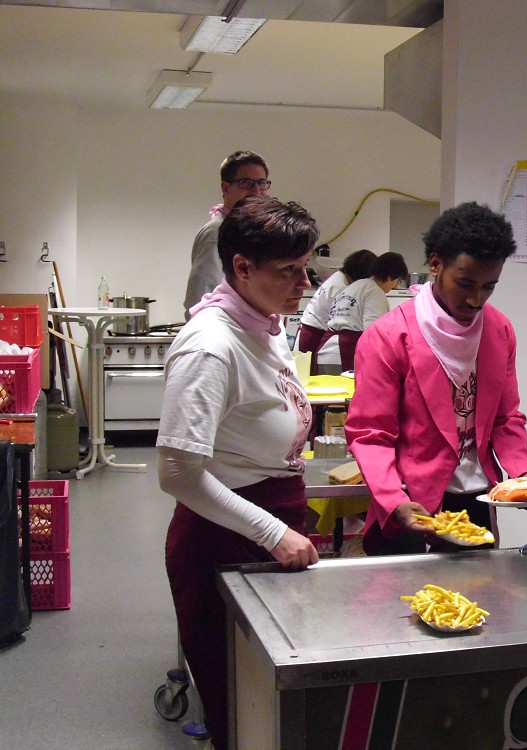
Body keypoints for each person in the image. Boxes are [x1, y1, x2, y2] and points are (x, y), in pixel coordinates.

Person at [158, 196, 319, 750]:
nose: (304, 284)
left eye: (307, 267)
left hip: (267, 524)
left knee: (271, 712)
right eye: (289, 270)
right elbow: (178, 472)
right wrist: (272, 533)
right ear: (242, 267)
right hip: (222, 540)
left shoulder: (264, 323)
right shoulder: (211, 346)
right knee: (241, 715)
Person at [345, 202, 527, 556]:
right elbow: (370, 434)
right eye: (465, 284)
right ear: (435, 264)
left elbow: (505, 418)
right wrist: (393, 499)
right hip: (410, 499)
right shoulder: (390, 336)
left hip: (477, 498)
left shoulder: (499, 330)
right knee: (407, 591)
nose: (476, 299)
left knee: (479, 590)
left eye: (489, 287)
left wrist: (524, 474)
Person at [183, 150, 271, 319]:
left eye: (261, 182)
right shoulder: (216, 234)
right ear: (225, 188)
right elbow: (198, 301)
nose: (256, 191)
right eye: (246, 183)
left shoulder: (252, 231)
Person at [313, 251, 409, 374]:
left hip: (326, 350)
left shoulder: (356, 285)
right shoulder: (375, 292)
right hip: (344, 353)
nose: (396, 286)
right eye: (398, 280)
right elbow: (373, 332)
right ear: (390, 277)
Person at [297, 248, 377, 361]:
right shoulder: (341, 288)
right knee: (308, 369)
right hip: (314, 333)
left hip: (310, 329)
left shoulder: (339, 277)